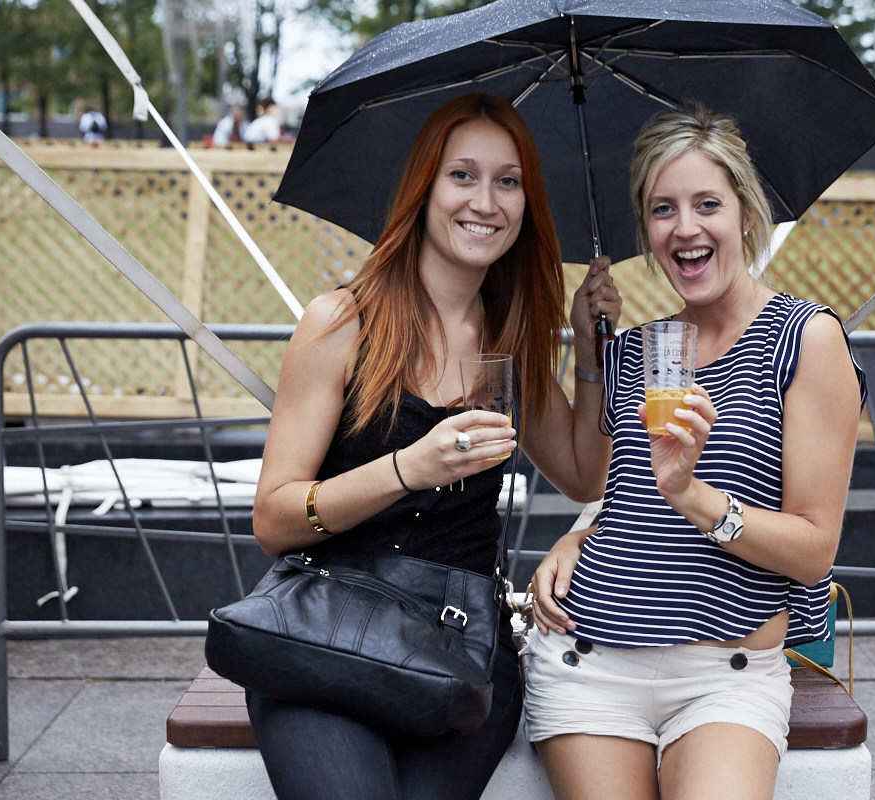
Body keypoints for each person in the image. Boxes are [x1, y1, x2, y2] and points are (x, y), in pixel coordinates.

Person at [249, 93, 620, 800]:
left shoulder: (508, 343)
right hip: (327, 629)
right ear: (422, 189)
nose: (486, 201)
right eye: (463, 175)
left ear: (526, 204)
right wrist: (406, 468)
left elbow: (581, 473)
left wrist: (589, 348)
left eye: (508, 181)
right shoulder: (342, 323)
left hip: (460, 642)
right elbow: (274, 518)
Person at [525, 103, 866, 800]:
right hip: (590, 661)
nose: (684, 228)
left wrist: (695, 498)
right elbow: (599, 483)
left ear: (744, 211)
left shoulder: (805, 340)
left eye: (706, 203)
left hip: (728, 677)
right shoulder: (640, 350)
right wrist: (589, 355)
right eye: (662, 209)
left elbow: (812, 551)